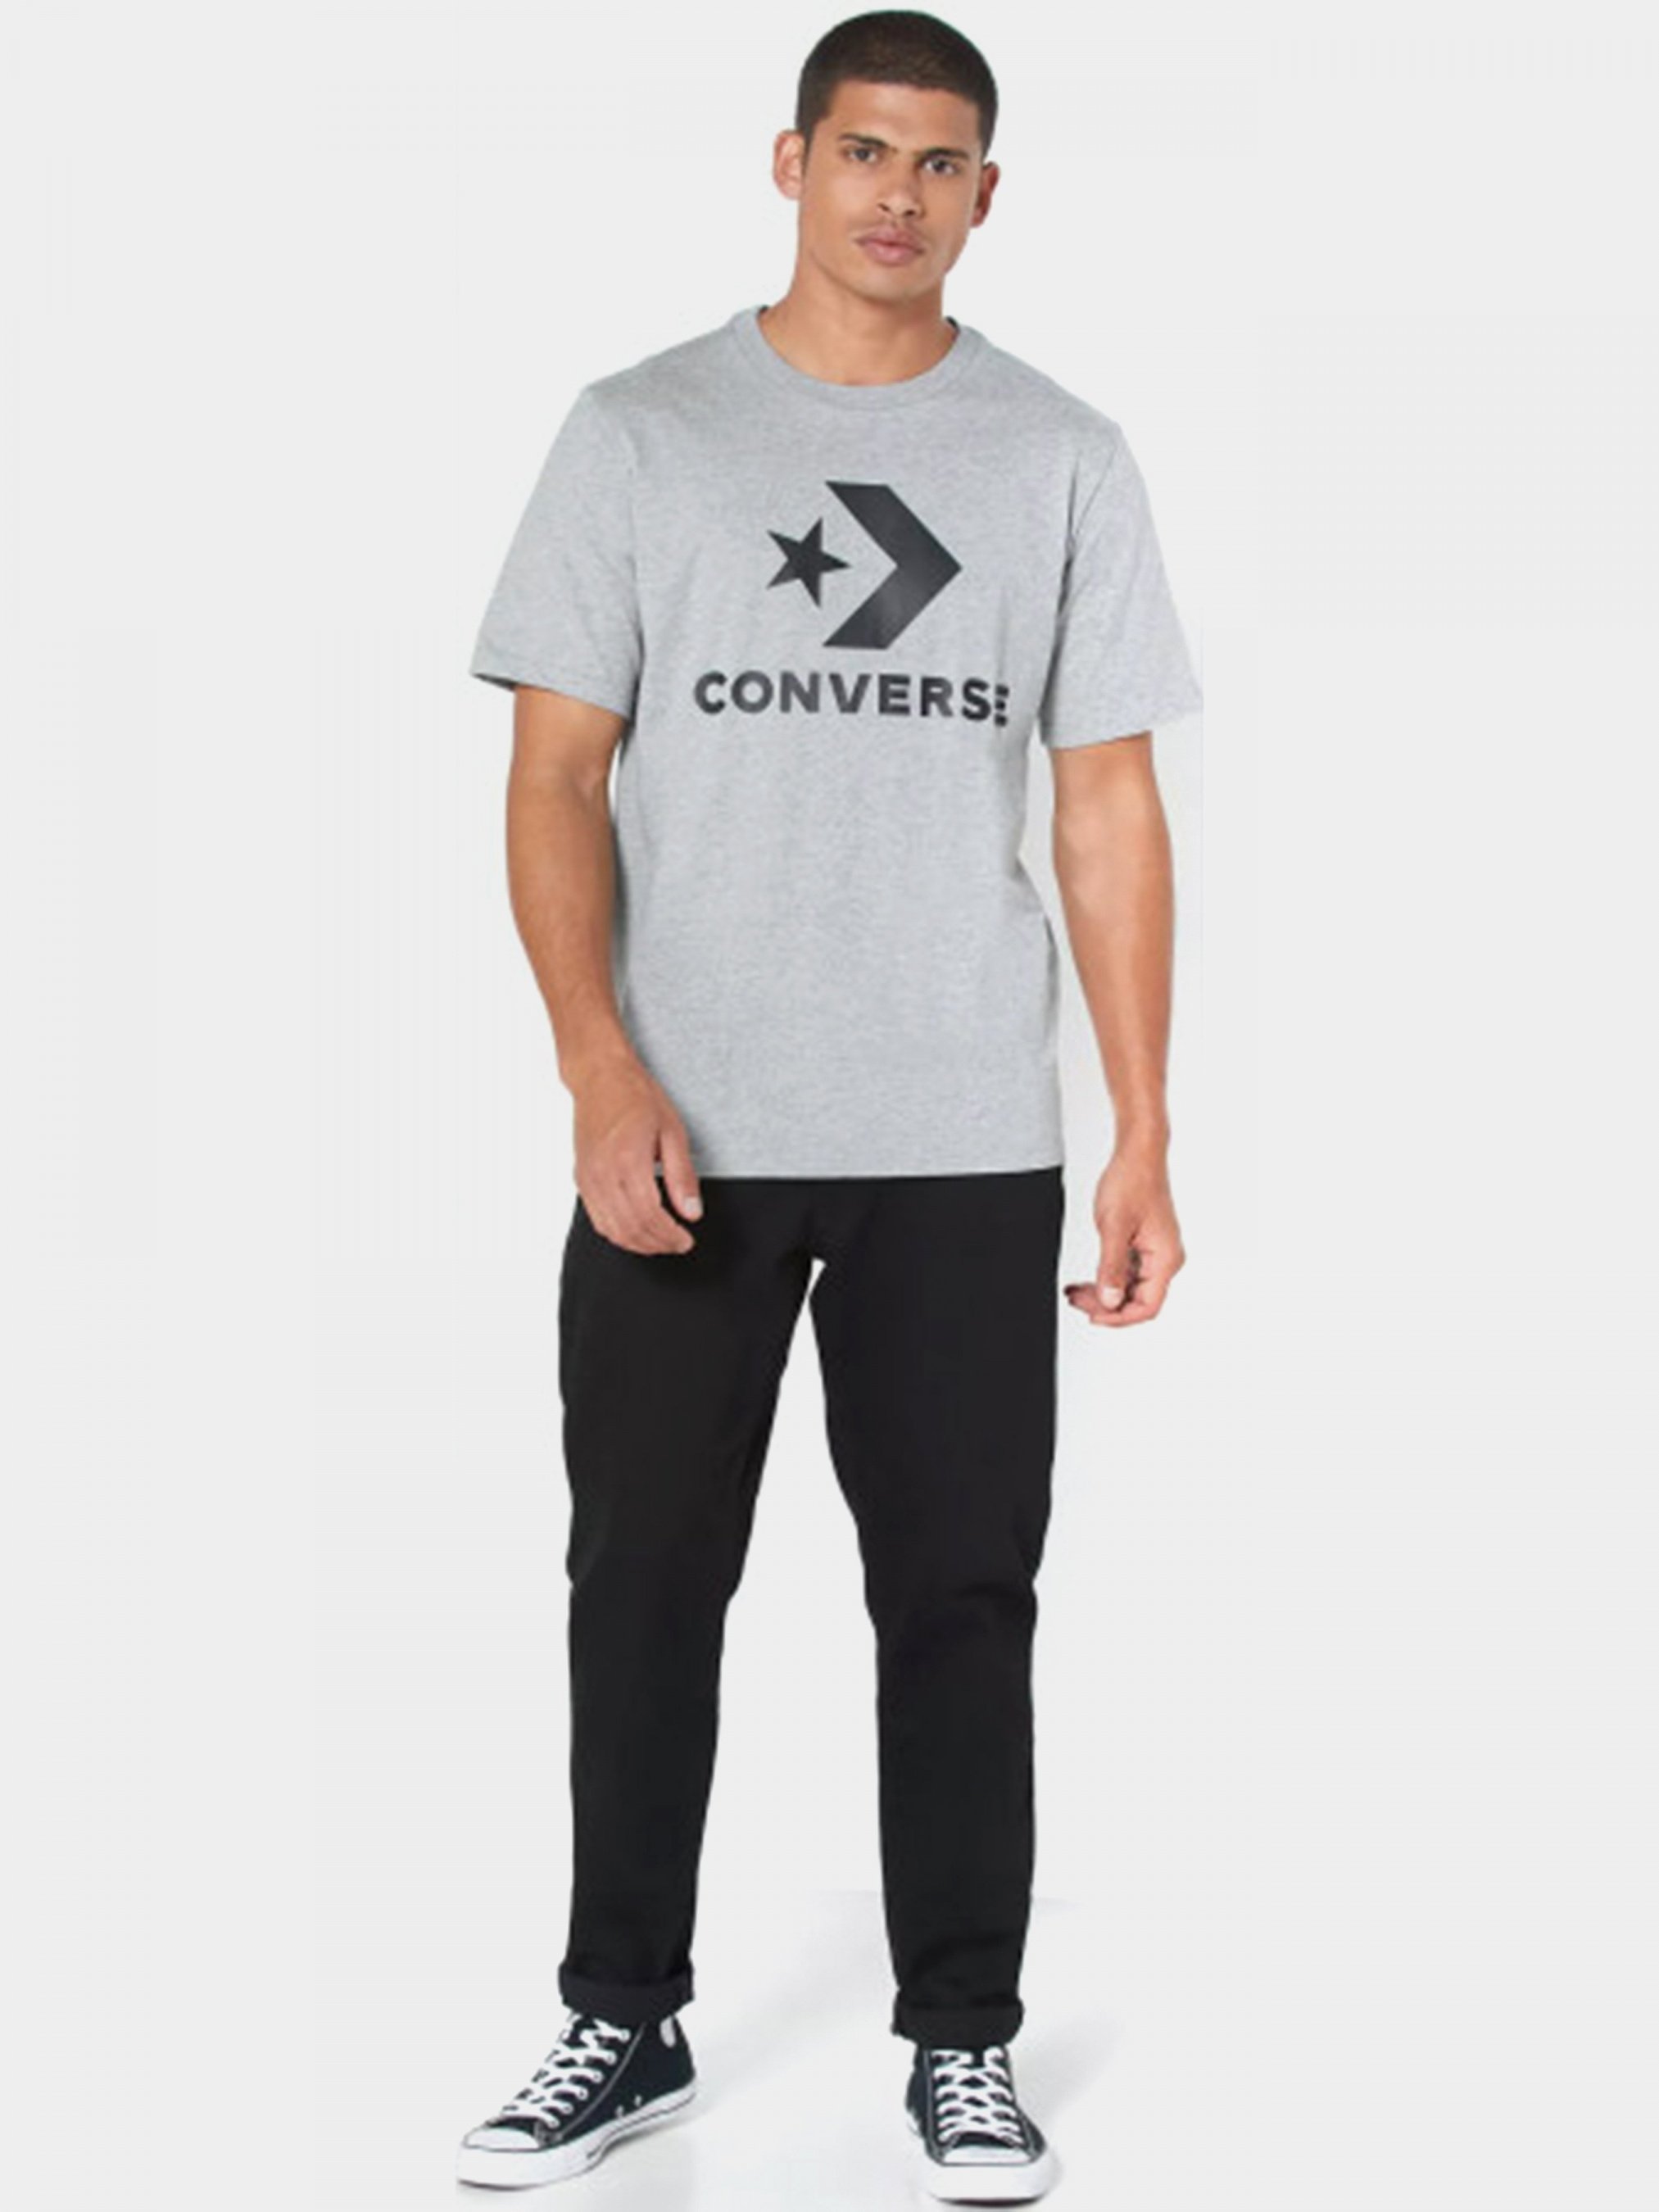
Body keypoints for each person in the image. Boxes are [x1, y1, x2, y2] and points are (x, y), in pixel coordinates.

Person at [454, 10, 1203, 2201]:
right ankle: (623, 2015)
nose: (899, 193)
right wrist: (598, 1066)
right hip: (682, 1130)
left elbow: (1107, 809)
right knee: (641, 1578)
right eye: (864, 150)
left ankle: (963, 2038)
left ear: (989, 194)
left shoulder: (1059, 455)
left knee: (961, 1592)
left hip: (961, 1132)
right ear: (788, 163)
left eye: (941, 161)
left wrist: (1143, 1125)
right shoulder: (641, 432)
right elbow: (553, 777)